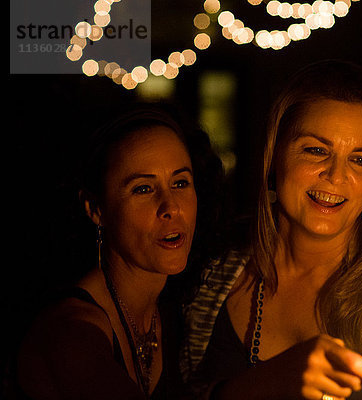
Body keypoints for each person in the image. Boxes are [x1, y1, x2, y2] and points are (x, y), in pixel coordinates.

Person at [180, 60, 362, 399]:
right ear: (275, 153)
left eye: (360, 160)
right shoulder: (210, 274)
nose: (336, 175)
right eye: (316, 150)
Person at [14, 104, 223, 399]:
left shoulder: (174, 312)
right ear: (96, 209)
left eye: (180, 183)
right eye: (143, 189)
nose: (171, 207)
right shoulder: (73, 334)